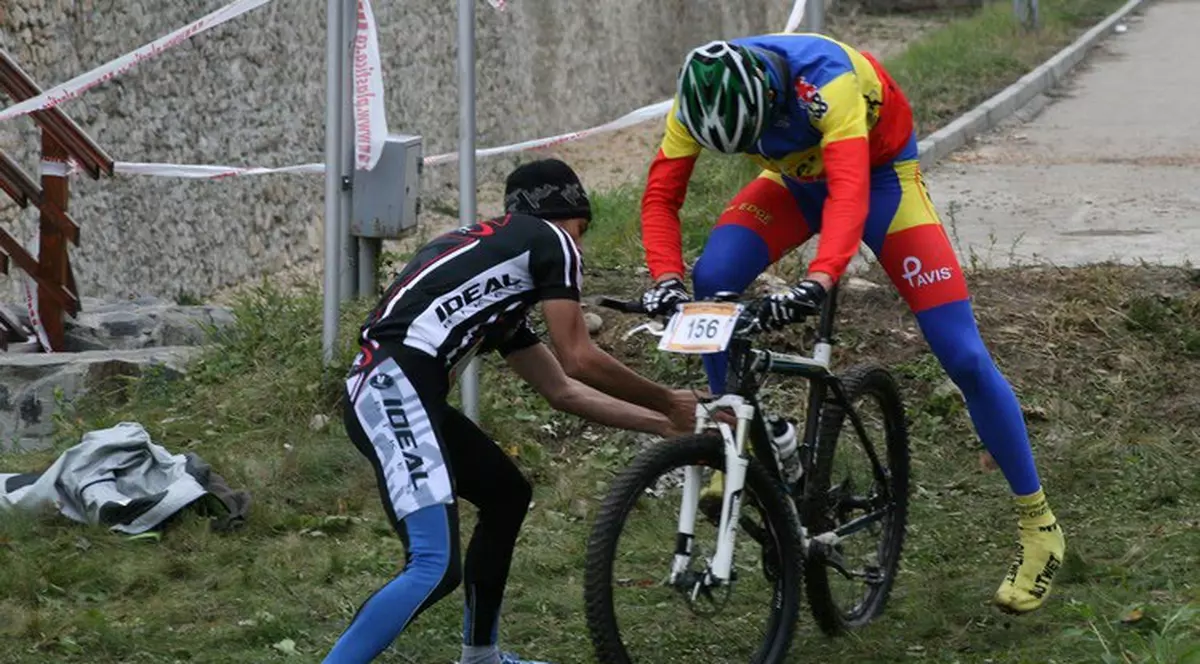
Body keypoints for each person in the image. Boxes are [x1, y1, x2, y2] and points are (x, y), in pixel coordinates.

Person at [636, 34, 1065, 614]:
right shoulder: (695, 101)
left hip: (880, 178)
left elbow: (849, 194)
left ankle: (1039, 525)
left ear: (772, 94)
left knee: (961, 353)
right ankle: (737, 442)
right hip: (792, 184)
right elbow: (662, 198)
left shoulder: (825, 80)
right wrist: (664, 276)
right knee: (712, 282)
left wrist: (819, 279)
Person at [325, 159, 699, 664]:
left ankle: (481, 655)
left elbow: (561, 390)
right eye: (583, 231)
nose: (581, 248)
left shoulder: (493, 266)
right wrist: (670, 399)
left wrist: (662, 424)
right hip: (394, 389)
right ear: (568, 214)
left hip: (390, 387)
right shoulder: (553, 239)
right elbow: (579, 357)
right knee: (433, 566)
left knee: (506, 494)